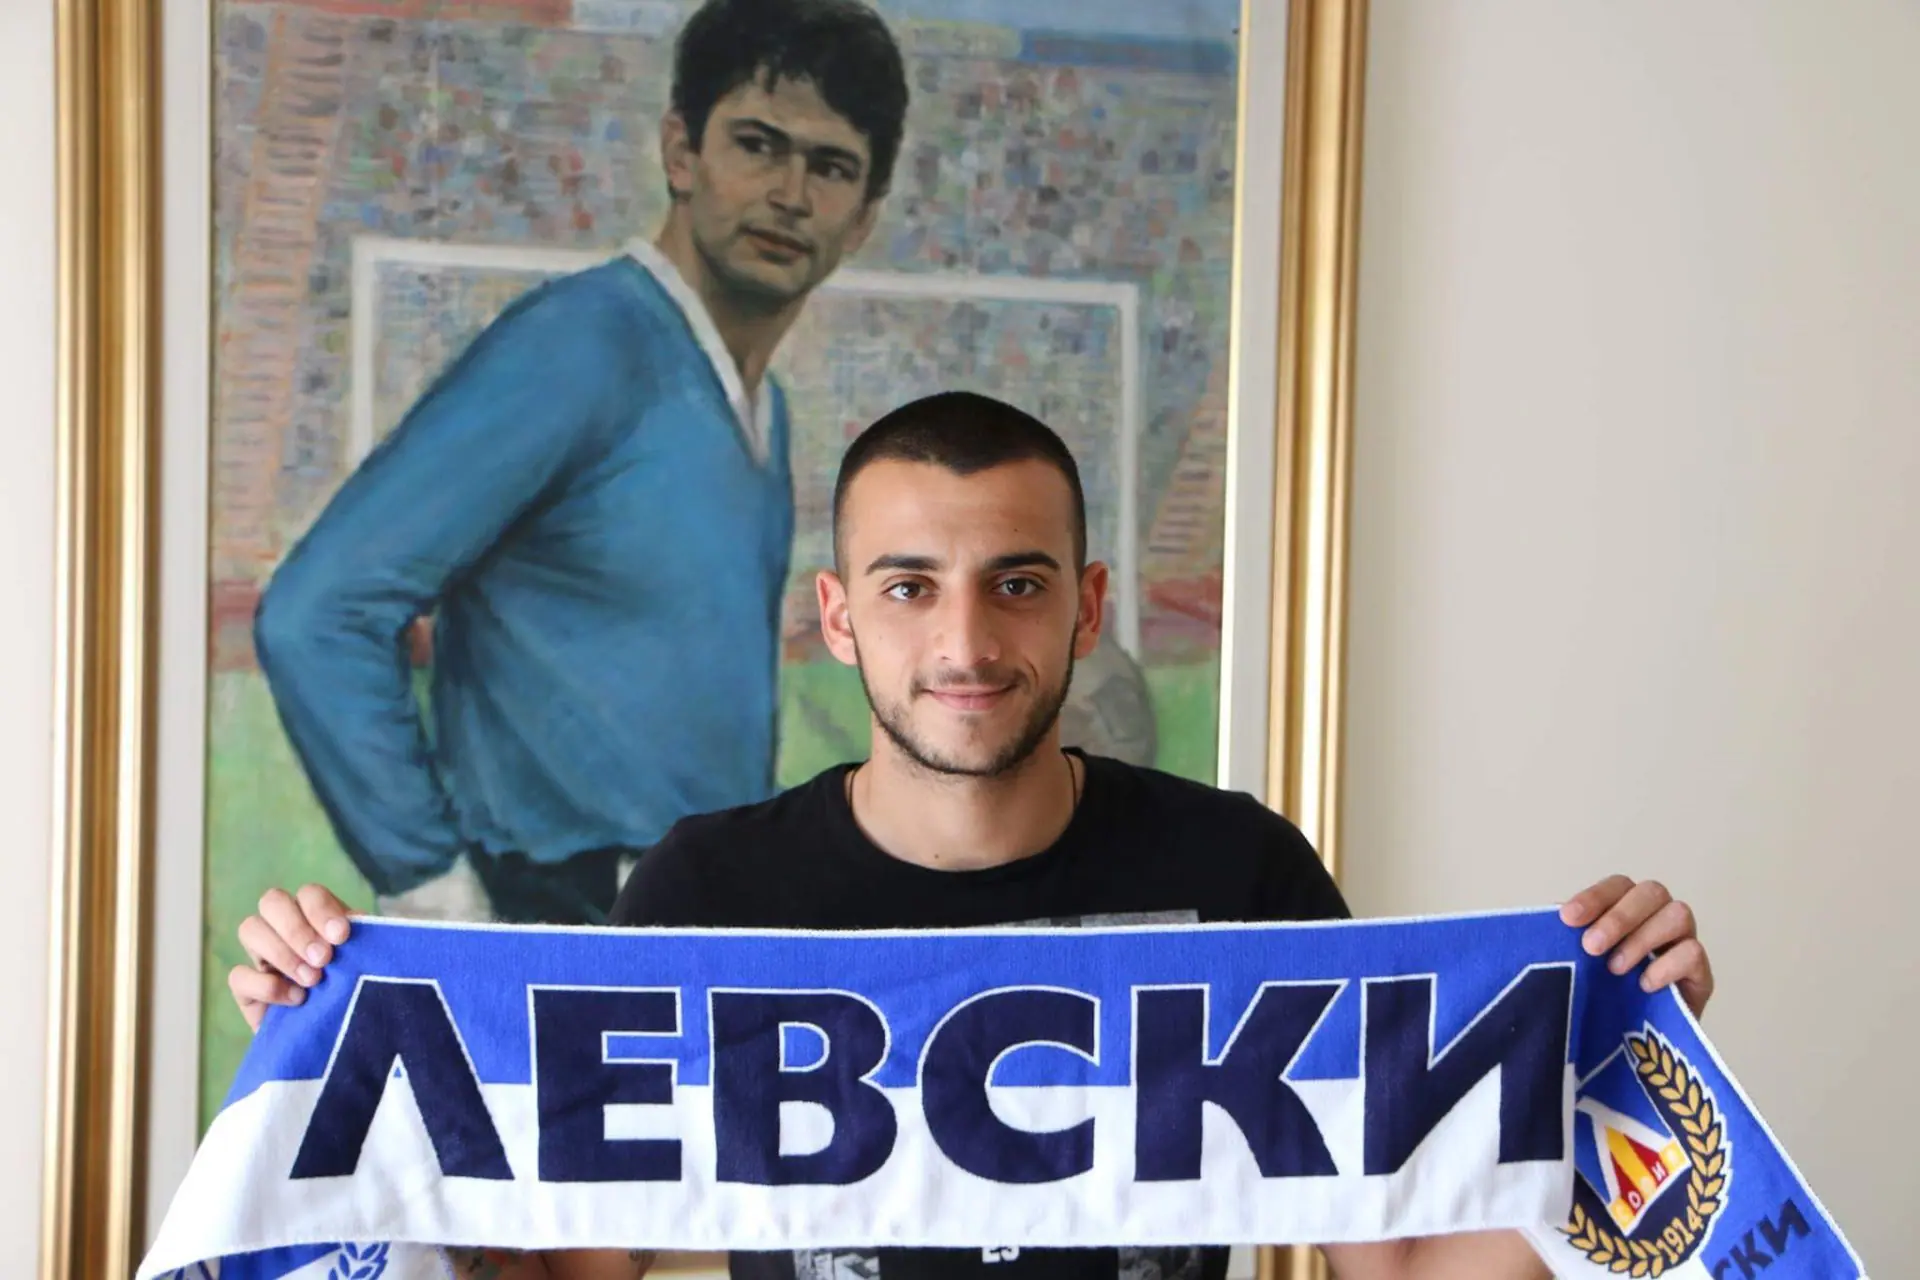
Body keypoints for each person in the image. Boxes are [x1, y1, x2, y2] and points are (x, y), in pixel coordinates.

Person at [231, 392, 1717, 1280]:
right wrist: (337, 1068)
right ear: (836, 617)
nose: (963, 640)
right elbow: (571, 1267)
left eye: (1016, 582)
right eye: (908, 586)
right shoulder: (712, 887)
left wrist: (1632, 1073)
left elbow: (1398, 1261)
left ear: (1087, 605)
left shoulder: (1238, 876)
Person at [250, 0, 909, 927]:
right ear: (681, 152)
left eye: (830, 167)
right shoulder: (581, 344)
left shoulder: (766, 407)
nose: (790, 194)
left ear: (865, 216)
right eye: (757, 145)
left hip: (694, 916)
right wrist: (434, 890)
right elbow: (316, 612)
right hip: (557, 907)